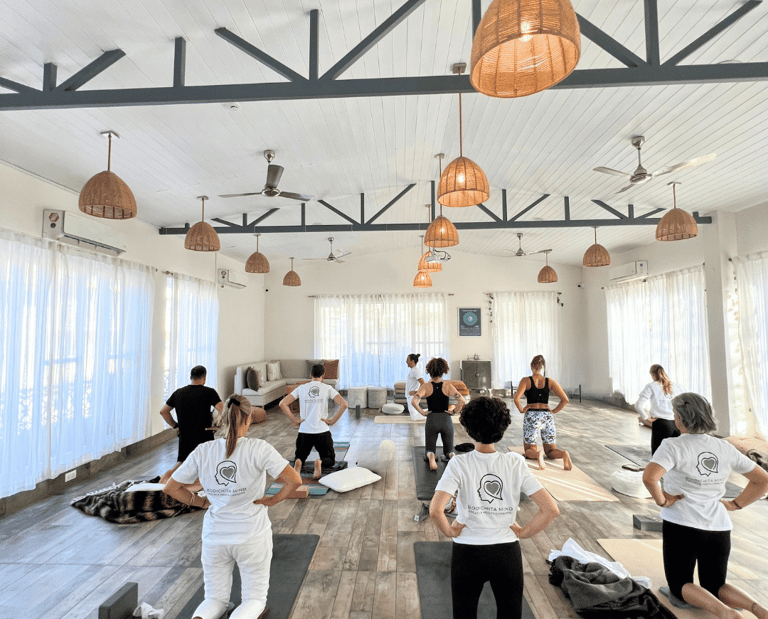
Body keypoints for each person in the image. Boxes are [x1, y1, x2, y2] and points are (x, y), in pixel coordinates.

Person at [164, 395, 302, 619]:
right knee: (254, 600)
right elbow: (294, 480)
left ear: (222, 418)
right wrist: (273, 500)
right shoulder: (259, 448)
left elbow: (171, 488)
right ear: (249, 419)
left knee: (214, 599)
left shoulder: (203, 450)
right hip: (251, 536)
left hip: (214, 537)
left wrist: (201, 502)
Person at [430, 397, 560, 619]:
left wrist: (450, 531)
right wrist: (523, 532)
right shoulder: (515, 463)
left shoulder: (459, 463)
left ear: (468, 429)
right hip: (507, 553)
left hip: (468, 553)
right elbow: (551, 510)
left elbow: (435, 510)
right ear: (503, 428)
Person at [643, 393, 768, 619]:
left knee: (679, 584)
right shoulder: (725, 447)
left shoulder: (672, 446)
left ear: (679, 418)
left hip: (682, 524)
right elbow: (763, 480)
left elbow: (650, 478)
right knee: (715, 583)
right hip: (719, 526)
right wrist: (736, 504)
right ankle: (758, 609)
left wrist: (662, 501)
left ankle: (726, 613)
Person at [279, 363, 348, 480]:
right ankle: (320, 463)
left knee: (300, 456)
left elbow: (282, 403)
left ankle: (299, 462)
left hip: (304, 432)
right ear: (323, 375)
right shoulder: (327, 388)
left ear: (311, 375)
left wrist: (294, 419)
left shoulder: (301, 388)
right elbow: (344, 404)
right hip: (322, 431)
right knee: (330, 459)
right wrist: (332, 421)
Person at [159, 365, 223, 483]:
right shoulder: (209, 392)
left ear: (191, 377)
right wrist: (217, 425)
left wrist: (176, 426)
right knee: (207, 462)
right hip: (204, 434)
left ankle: (168, 476)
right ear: (204, 377)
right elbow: (222, 410)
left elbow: (163, 411)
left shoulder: (178, 393)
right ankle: (201, 484)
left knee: (183, 461)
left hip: (185, 435)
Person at [513, 355, 571, 471]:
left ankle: (537, 454)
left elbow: (516, 399)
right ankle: (564, 454)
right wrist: (553, 411)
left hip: (531, 416)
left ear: (531, 366)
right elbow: (565, 399)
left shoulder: (526, 380)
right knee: (550, 451)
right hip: (547, 416)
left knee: (529, 450)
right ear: (543, 367)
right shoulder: (550, 381)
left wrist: (522, 409)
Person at [411, 357, 466, 471]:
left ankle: (431, 456)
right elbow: (462, 401)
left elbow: (413, 401)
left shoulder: (425, 386)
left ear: (429, 371)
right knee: (449, 450)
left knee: (429, 449)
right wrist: (454, 411)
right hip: (446, 420)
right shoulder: (448, 386)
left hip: (431, 420)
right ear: (443, 371)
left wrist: (423, 412)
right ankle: (452, 456)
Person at [635, 364, 685, 454]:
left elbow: (638, 405)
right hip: (677, 424)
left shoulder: (651, 386)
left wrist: (646, 418)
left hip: (661, 424)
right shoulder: (676, 386)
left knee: (658, 455)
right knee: (675, 455)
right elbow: (687, 401)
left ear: (653, 374)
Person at [406, 353, 426, 421]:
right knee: (414, 415)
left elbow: (423, 383)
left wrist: (417, 392)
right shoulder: (412, 370)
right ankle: (430, 412)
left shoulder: (416, 371)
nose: (406, 361)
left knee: (414, 418)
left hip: (413, 396)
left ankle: (431, 414)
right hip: (410, 396)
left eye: (407, 360)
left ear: (412, 361)